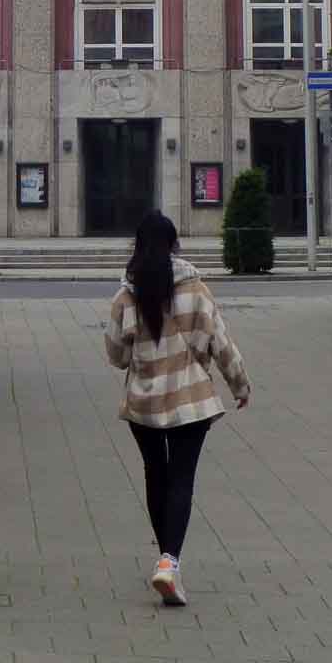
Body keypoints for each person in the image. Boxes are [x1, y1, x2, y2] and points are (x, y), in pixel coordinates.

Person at [105, 211, 250, 608]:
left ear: (137, 245)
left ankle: (166, 562)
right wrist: (240, 385)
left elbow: (117, 356)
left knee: (156, 476)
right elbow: (221, 343)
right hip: (190, 401)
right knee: (181, 479)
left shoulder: (126, 296)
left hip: (144, 402)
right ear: (174, 245)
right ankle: (169, 562)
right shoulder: (197, 290)